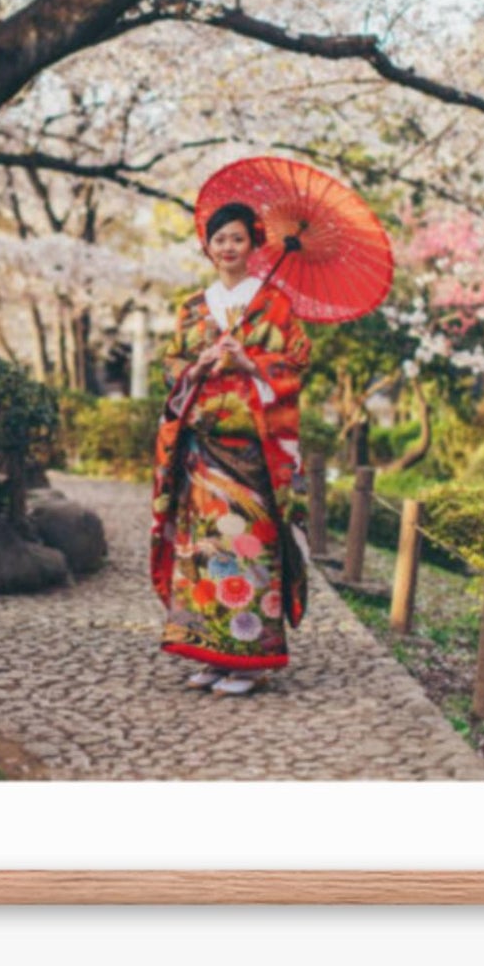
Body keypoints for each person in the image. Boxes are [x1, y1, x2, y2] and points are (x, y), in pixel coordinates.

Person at [149, 201, 313, 693]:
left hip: (253, 452)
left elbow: (297, 363)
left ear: (254, 244)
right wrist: (196, 368)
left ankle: (251, 658)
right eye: (219, 239)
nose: (228, 248)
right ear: (208, 245)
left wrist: (250, 364)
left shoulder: (274, 303)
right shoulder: (193, 307)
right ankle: (213, 651)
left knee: (247, 547)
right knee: (203, 549)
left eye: (237, 238)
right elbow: (171, 366)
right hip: (201, 450)